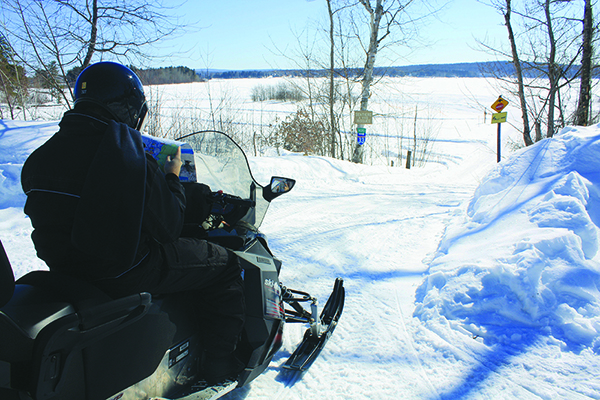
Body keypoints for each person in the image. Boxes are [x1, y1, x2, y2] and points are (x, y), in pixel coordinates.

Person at [21, 61, 245, 385]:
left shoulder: (40, 157)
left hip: (68, 270)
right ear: (129, 108)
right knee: (224, 264)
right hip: (124, 271)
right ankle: (220, 365)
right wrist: (170, 177)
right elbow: (168, 227)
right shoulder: (125, 154)